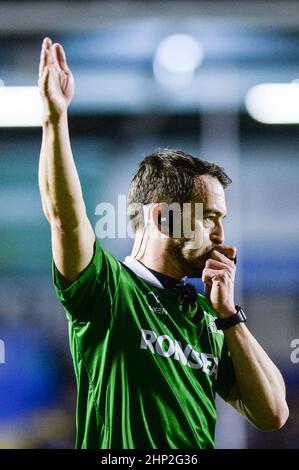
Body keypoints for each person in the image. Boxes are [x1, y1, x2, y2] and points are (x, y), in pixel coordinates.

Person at [38, 37, 289, 449]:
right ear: (164, 217)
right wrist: (54, 119)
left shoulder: (208, 317)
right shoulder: (107, 291)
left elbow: (273, 413)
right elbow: (65, 218)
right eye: (209, 218)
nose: (220, 235)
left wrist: (229, 316)